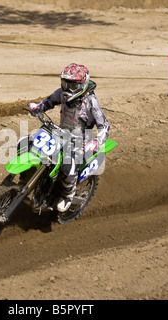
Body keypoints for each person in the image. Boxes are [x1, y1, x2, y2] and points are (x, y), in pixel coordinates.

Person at [28, 63, 110, 212]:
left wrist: (97, 142)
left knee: (68, 166)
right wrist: (38, 107)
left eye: (71, 85)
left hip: (81, 141)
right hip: (60, 133)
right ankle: (28, 180)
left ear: (82, 85)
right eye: (64, 83)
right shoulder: (62, 93)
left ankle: (68, 195)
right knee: (30, 143)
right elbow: (49, 101)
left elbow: (104, 126)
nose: (67, 88)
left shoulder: (91, 101)